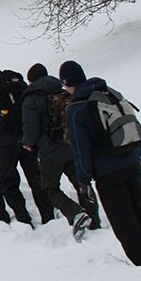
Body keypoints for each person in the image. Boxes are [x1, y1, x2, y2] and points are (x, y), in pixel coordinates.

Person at [61, 61, 141, 271]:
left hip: (108, 172)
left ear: (67, 83)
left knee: (123, 221)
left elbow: (80, 149)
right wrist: (138, 156)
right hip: (131, 161)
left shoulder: (76, 108)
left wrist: (83, 179)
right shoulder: (109, 93)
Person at [21, 63, 101, 238]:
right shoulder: (63, 89)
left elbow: (30, 127)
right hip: (71, 146)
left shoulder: (31, 98)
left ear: (31, 81)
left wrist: (27, 143)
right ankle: (94, 220)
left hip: (49, 153)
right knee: (81, 183)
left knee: (50, 188)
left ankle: (76, 213)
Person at [0, 51, 51, 226]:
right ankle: (48, 215)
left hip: (1, 142)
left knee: (9, 182)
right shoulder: (14, 80)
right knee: (35, 177)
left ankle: (24, 219)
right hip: (24, 137)